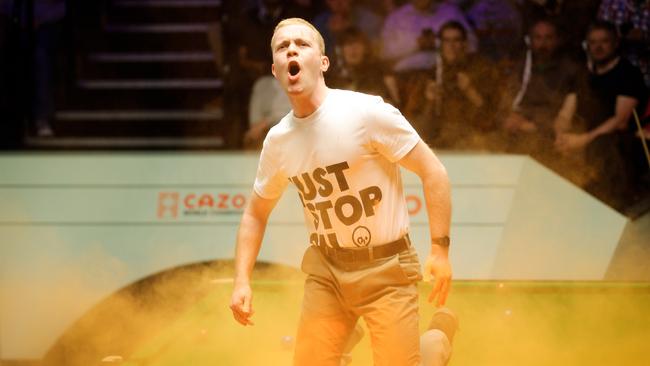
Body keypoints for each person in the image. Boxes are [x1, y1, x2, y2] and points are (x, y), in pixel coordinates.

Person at [229, 17, 453, 366]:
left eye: (302, 44)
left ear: (323, 63)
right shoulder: (278, 141)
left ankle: (436, 340)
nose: (291, 48)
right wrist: (241, 280)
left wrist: (440, 250)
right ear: (274, 69)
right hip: (328, 272)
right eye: (282, 46)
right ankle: (343, 346)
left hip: (387, 269)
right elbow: (255, 213)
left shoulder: (365, 113)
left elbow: (433, 171)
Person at [557, 21, 648, 209]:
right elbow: (565, 113)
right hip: (585, 137)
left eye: (604, 41)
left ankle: (608, 207)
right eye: (593, 42)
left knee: (604, 146)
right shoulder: (583, 74)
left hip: (621, 142)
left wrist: (583, 139)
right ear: (586, 45)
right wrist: (560, 135)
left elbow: (620, 121)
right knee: (543, 138)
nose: (598, 47)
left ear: (615, 43)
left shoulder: (628, 73)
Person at [405, 21, 498, 148]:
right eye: (446, 41)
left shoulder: (481, 70)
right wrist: (430, 101)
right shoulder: (430, 75)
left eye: (456, 40)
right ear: (440, 45)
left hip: (474, 139)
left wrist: (470, 91)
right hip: (438, 141)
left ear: (464, 44)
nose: (451, 46)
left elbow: (493, 117)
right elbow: (416, 128)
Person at [502, 18, 579, 160]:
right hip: (516, 136)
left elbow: (564, 118)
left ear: (557, 40)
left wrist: (527, 125)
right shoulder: (521, 66)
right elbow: (506, 101)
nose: (543, 44)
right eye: (538, 38)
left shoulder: (569, 70)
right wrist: (510, 116)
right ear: (530, 41)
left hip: (548, 137)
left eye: (548, 38)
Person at [381, 0, 477, 73]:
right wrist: (417, 44)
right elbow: (385, 52)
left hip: (448, 71)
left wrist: (442, 43)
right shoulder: (396, 17)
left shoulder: (451, 12)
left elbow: (472, 45)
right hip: (408, 74)